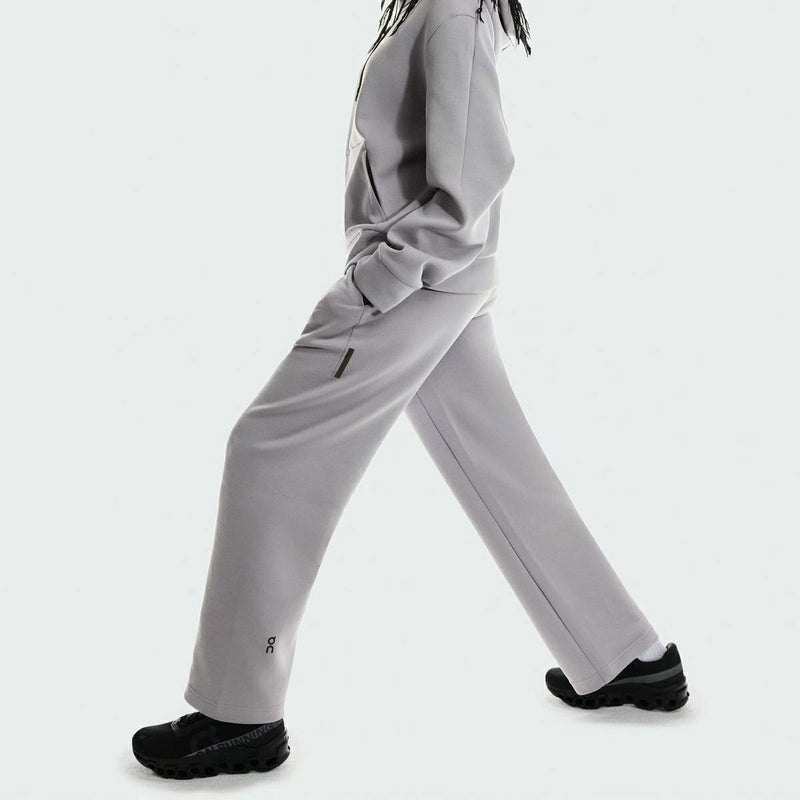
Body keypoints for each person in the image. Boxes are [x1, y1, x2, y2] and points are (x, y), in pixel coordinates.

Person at [131, 0, 689, 781]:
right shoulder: (435, 6)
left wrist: (381, 279)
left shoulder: (451, 10)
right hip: (438, 285)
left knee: (268, 452)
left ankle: (239, 713)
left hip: (411, 286)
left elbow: (472, 180)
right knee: (499, 463)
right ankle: (626, 655)